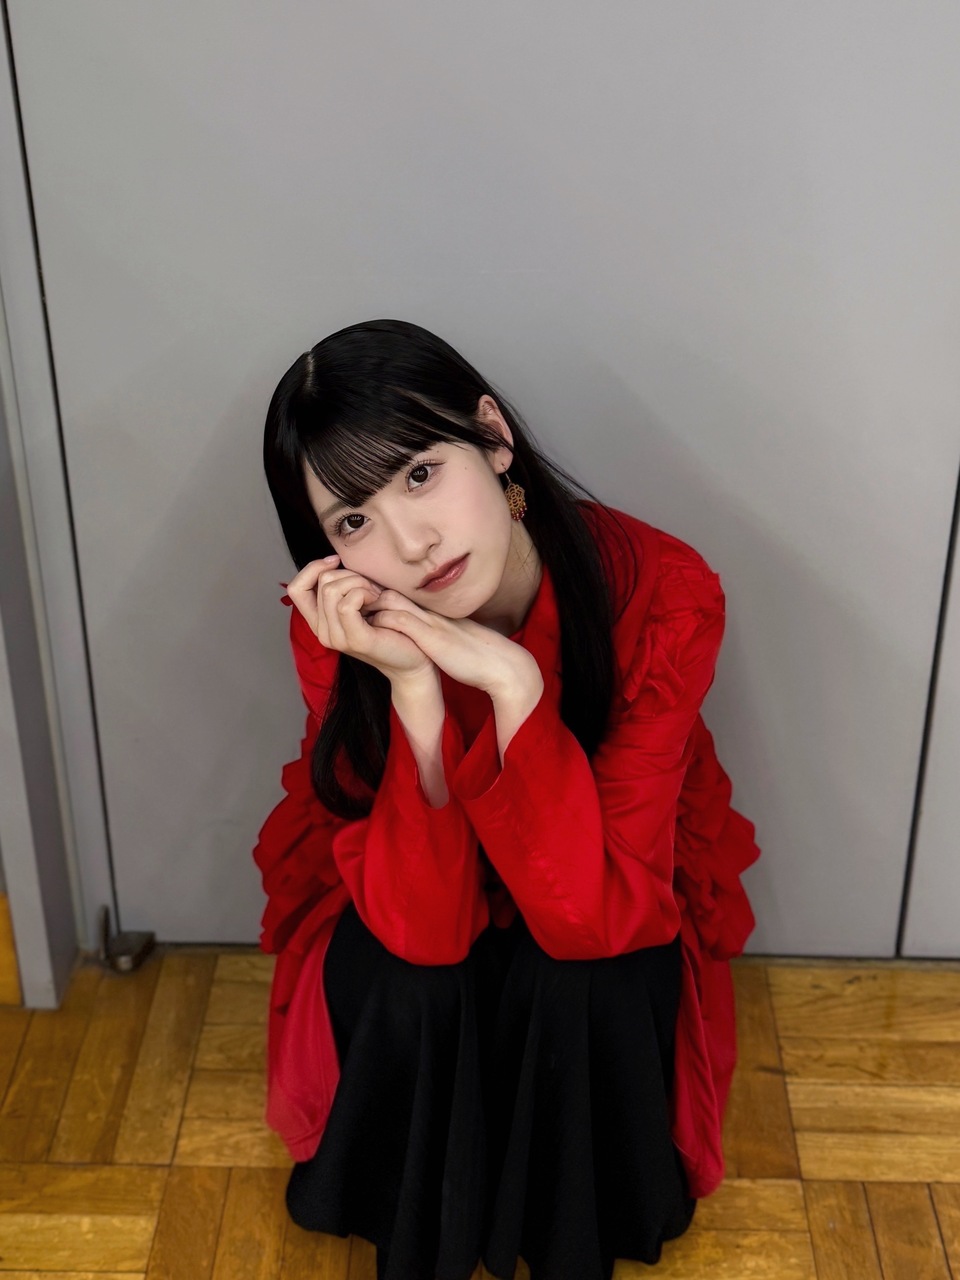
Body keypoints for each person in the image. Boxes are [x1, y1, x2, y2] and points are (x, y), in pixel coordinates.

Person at [254, 319, 761, 1280]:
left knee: (588, 980)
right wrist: (414, 694)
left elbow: (596, 916)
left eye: (419, 474)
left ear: (492, 436)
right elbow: (425, 929)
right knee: (411, 977)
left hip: (598, 893)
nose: (412, 543)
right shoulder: (347, 629)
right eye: (353, 522)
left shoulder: (664, 592)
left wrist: (515, 691)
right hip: (418, 900)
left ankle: (569, 1218)